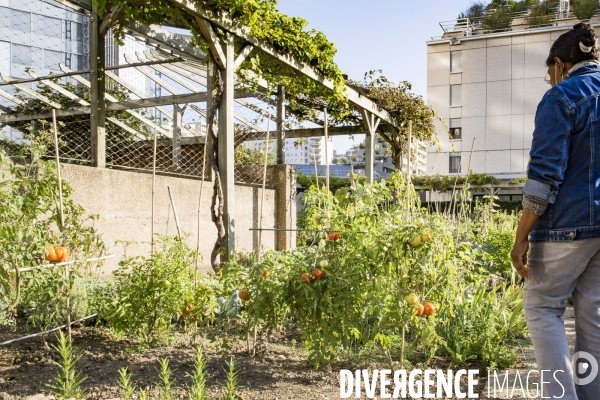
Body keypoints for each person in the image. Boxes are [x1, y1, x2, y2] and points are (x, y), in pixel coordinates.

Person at [511, 23, 600, 400]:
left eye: (550, 73)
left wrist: (520, 237)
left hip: (568, 227)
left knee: (542, 307)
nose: (549, 81)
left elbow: (544, 177)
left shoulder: (561, 97)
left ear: (561, 65)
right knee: (593, 324)